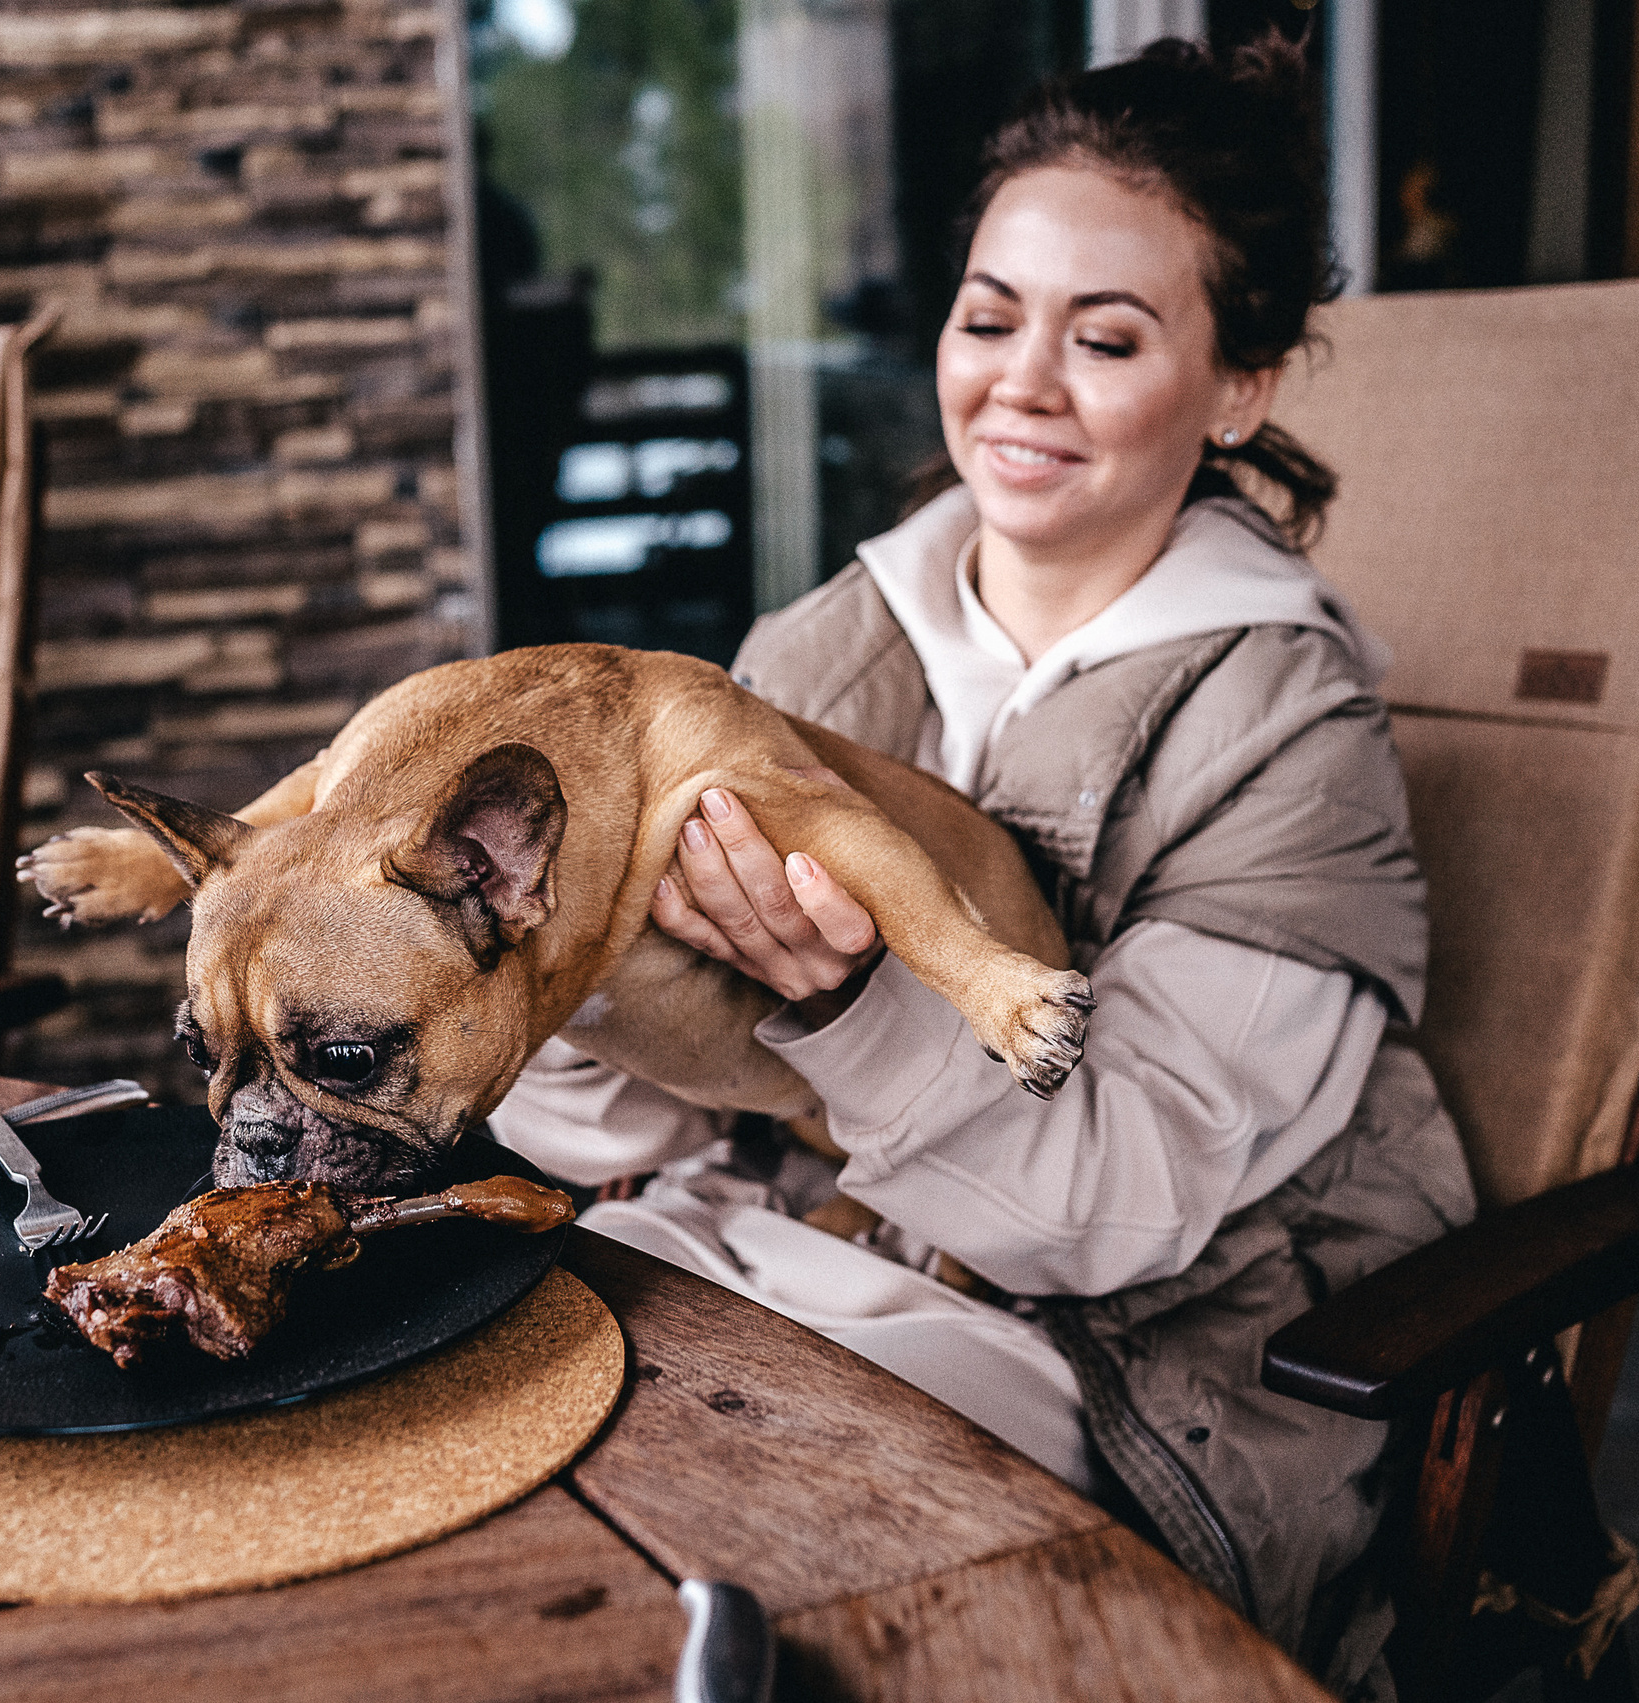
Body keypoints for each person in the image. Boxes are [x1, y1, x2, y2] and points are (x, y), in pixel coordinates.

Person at [487, 36, 1477, 1697]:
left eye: (1107, 338)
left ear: (1242, 384)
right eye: (988, 313)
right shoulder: (819, 649)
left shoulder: (1289, 729)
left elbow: (1120, 1206)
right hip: (796, 1252)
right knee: (462, 1418)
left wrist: (852, 1000)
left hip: (1129, 1369)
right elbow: (625, 1126)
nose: (1020, 382)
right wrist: (565, 972)